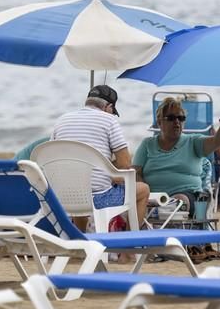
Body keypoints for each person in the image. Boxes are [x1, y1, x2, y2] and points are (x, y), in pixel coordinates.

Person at [52, 85, 150, 232]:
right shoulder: (109, 121)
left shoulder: (61, 120)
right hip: (99, 199)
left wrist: (100, 166)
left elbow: (55, 159)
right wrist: (106, 169)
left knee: (80, 186)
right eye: (112, 111)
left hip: (64, 197)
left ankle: (81, 241)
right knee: (143, 190)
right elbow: (125, 165)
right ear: (108, 106)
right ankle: (129, 252)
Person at [133, 97, 220, 212]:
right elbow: (135, 172)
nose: (177, 122)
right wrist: (145, 191)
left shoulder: (193, 141)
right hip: (154, 198)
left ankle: (164, 224)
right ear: (160, 122)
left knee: (178, 202)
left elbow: (216, 142)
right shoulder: (147, 144)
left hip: (187, 195)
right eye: (171, 118)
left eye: (181, 118)